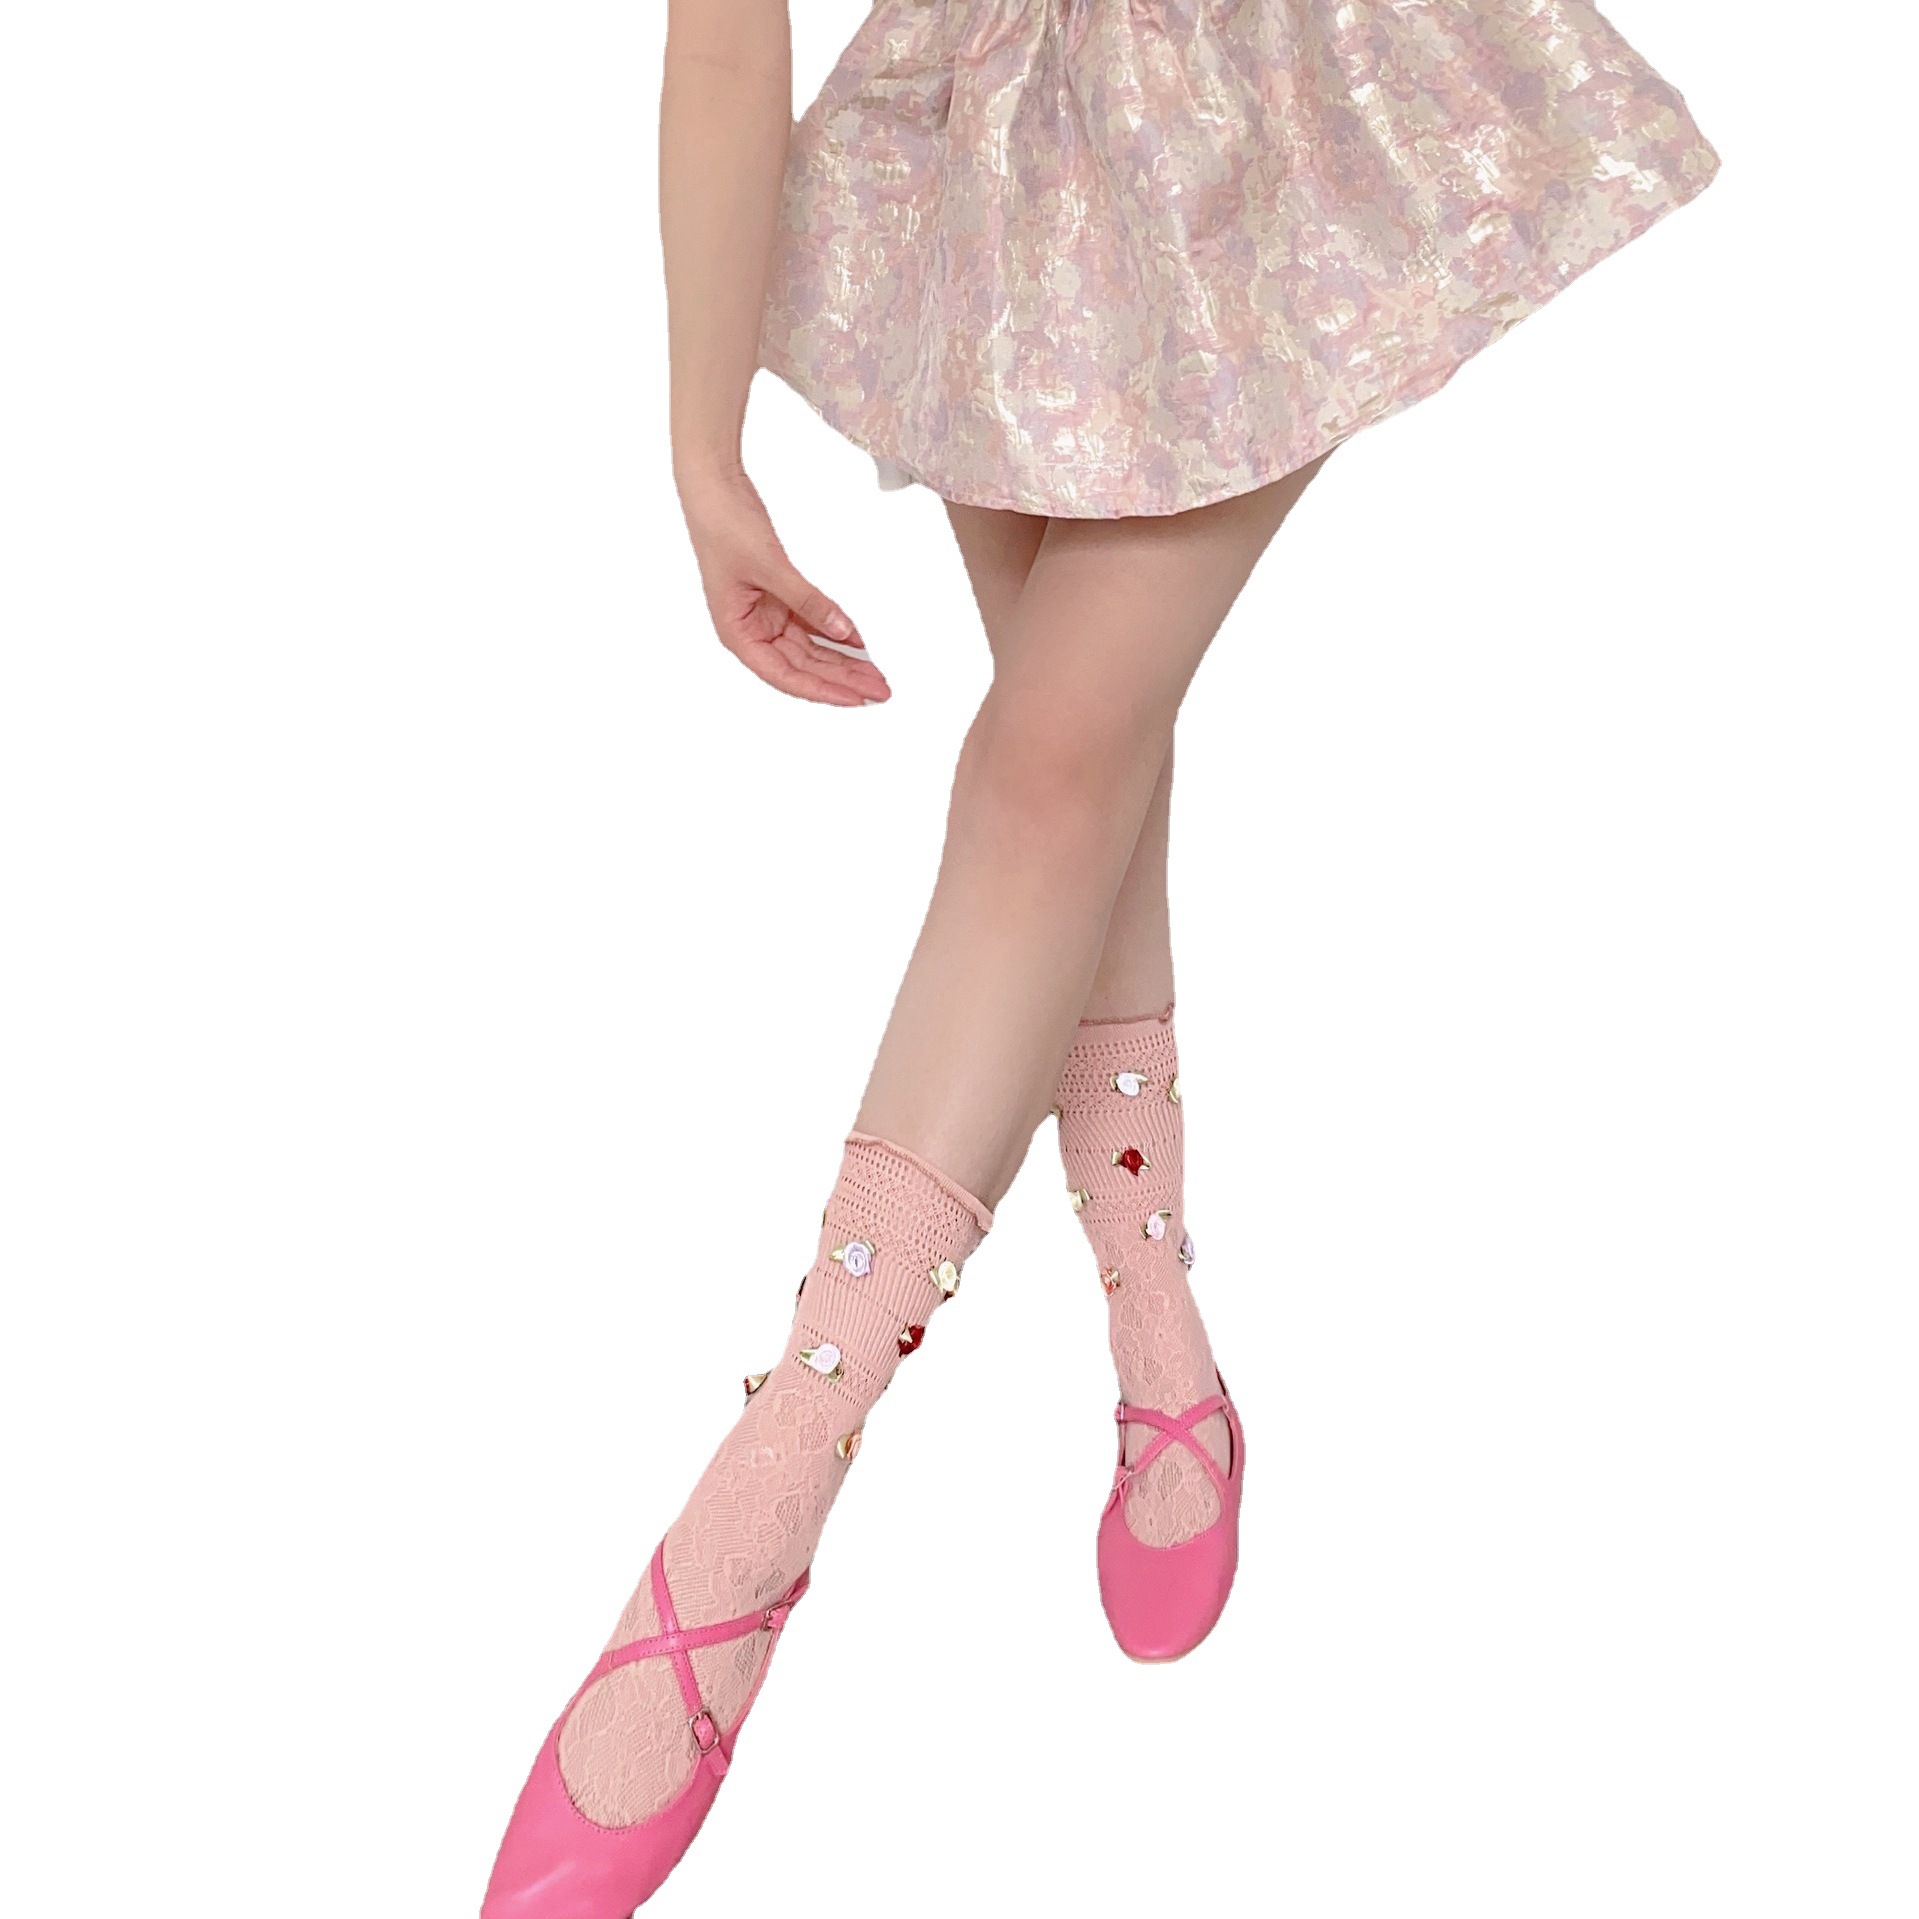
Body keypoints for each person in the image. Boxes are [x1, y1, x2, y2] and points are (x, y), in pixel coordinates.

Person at [483, 3, 1717, 1911]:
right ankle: (1158, 1320)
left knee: (1048, 758)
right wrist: (703, 455)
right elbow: (723, 32)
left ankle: (768, 1486)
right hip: (997, 124)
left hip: (1269, 91)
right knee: (1088, 755)